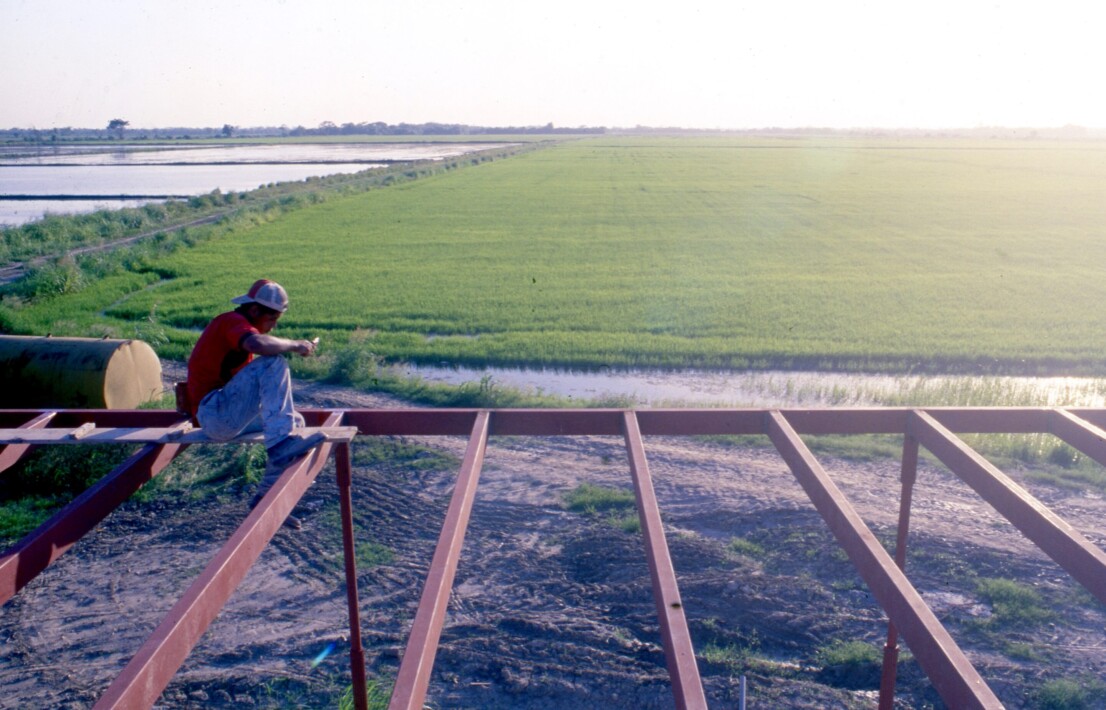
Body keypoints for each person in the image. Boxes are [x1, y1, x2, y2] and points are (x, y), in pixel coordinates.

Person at [186, 278, 323, 527]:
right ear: (255, 311)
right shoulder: (231, 322)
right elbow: (257, 344)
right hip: (213, 413)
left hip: (223, 416)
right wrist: (296, 345)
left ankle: (266, 498)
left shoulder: (241, 331)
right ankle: (280, 444)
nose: (271, 328)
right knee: (274, 362)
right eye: (271, 320)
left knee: (295, 421)